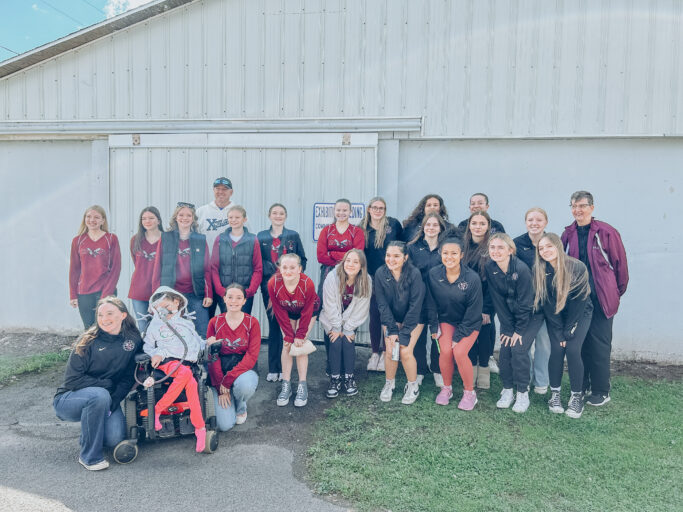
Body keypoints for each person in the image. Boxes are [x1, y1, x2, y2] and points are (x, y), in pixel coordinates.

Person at [54, 297, 142, 471]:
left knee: (114, 439)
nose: (104, 319)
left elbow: (128, 378)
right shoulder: (87, 341)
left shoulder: (133, 340)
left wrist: (114, 400)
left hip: (106, 398)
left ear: (123, 315)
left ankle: (89, 432)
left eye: (110, 313)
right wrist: (106, 385)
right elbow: (72, 380)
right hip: (69, 399)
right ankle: (90, 457)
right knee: (98, 395)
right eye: (100, 315)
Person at [561, 191, 629, 407]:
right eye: (573, 206)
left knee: (599, 345)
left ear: (592, 207)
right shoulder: (567, 234)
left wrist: (613, 293)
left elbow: (620, 268)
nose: (577, 210)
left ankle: (601, 390)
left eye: (582, 206)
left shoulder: (607, 233)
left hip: (600, 300)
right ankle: (582, 385)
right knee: (580, 344)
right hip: (577, 300)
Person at [534, 233, 593, 419]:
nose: (545, 251)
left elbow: (579, 301)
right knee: (557, 350)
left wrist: (569, 330)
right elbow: (548, 305)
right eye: (541, 248)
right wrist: (559, 332)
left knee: (573, 349)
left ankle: (577, 397)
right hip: (556, 317)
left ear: (558, 246)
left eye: (549, 246)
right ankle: (555, 395)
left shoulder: (576, 267)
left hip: (580, 313)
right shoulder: (540, 270)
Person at [142, 287, 207, 452]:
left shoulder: (186, 323)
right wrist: (156, 354)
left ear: (176, 303)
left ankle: (200, 428)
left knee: (192, 384)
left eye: (167, 306)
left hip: (186, 361)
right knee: (185, 374)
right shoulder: (155, 326)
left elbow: (196, 341)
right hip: (167, 361)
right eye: (159, 307)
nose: (163, 310)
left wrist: (206, 344)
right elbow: (147, 346)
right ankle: (157, 410)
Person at [426, 238, 483, 410]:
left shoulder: (472, 278)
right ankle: (447, 388)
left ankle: (469, 393)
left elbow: (474, 310)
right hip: (446, 321)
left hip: (469, 322)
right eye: (445, 253)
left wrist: (458, 336)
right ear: (440, 254)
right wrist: (433, 325)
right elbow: (430, 302)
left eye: (454, 253)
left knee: (458, 352)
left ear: (461, 255)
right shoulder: (434, 274)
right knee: (445, 351)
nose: (449, 257)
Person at [486, 234, 539, 413]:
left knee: (519, 349)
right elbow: (498, 301)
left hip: (530, 315)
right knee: (505, 350)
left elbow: (526, 302)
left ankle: (522, 392)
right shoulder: (490, 267)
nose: (496, 251)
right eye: (492, 247)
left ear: (510, 250)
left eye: (501, 247)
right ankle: (508, 389)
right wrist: (507, 328)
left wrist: (519, 330)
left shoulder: (521, 269)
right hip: (509, 316)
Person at [257, 203, 307, 382]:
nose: (278, 216)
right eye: (275, 213)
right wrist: (267, 269)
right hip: (269, 287)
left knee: (287, 325)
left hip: (289, 288)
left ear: (285, 216)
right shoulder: (261, 236)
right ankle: (273, 368)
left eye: (281, 213)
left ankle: (287, 366)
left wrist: (294, 278)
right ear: (269, 215)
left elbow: (303, 259)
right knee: (274, 325)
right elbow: (257, 261)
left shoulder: (292, 235)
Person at [152, 202, 213, 338]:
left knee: (203, 331)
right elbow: (157, 267)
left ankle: (203, 358)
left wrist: (208, 294)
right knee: (169, 330)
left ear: (193, 218)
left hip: (195, 292)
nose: (184, 218)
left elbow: (207, 269)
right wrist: (157, 295)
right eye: (181, 215)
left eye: (188, 215)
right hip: (171, 293)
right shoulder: (166, 238)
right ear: (176, 217)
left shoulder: (200, 240)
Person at [374, 242, 425, 404]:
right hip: (392, 319)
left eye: (396, 256)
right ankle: (389, 383)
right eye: (388, 255)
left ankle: (413, 386)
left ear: (405, 258)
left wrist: (404, 331)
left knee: (404, 350)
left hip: (415, 319)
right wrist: (393, 329)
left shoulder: (414, 273)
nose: (391, 259)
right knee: (390, 350)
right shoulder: (380, 273)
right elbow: (382, 304)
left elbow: (416, 305)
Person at [319, 249, 372, 399]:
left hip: (351, 319)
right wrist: (336, 327)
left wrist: (348, 328)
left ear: (361, 265)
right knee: (335, 341)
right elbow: (329, 305)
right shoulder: (332, 277)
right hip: (331, 318)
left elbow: (362, 308)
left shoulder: (366, 280)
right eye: (348, 260)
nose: (350, 264)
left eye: (355, 262)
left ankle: (349, 378)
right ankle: (335, 379)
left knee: (348, 341)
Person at [207, 284, 260, 430]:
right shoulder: (214, 322)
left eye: (238, 298)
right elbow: (212, 356)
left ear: (244, 301)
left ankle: (241, 405)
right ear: (224, 299)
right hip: (220, 373)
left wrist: (228, 381)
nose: (234, 301)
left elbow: (251, 356)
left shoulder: (252, 322)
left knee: (244, 386)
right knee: (225, 425)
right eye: (230, 297)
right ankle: (224, 394)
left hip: (243, 371)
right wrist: (219, 387)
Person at [268, 253, 319, 407]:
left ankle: (302, 385)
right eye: (284, 267)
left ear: (299, 269)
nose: (288, 271)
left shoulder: (307, 283)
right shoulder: (273, 284)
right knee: (287, 344)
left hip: (308, 311)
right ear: (279, 268)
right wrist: (289, 335)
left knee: (299, 345)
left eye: (292, 267)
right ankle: (286, 384)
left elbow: (307, 310)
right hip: (287, 311)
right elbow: (279, 311)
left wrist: (300, 334)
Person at [360, 197, 403, 373]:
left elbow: (402, 247)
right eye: (375, 207)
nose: (378, 211)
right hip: (371, 276)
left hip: (392, 276)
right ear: (369, 209)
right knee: (375, 314)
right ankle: (375, 353)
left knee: (389, 314)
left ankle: (387, 352)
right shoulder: (362, 228)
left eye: (382, 208)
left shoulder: (393, 225)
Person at [513, 207, 551, 394]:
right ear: (526, 222)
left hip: (547, 303)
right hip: (525, 303)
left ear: (546, 222)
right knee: (524, 343)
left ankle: (541, 381)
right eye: (530, 220)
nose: (534, 223)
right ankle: (524, 378)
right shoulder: (517, 244)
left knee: (544, 342)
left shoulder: (552, 242)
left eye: (538, 220)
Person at [407, 212, 447, 387]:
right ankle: (420, 370)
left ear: (441, 228)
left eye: (435, 225)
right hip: (418, 299)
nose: (431, 228)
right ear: (423, 227)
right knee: (419, 337)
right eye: (428, 225)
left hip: (441, 299)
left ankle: (437, 369)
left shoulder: (446, 248)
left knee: (437, 335)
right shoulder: (412, 247)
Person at [69, 205, 122, 328]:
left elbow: (116, 268)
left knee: (106, 326)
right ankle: (90, 348)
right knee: (89, 328)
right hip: (84, 292)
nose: (92, 220)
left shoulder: (111, 239)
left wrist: (106, 294)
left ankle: (109, 348)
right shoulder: (77, 241)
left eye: (96, 217)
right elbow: (74, 270)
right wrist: (73, 294)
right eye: (89, 217)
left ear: (103, 220)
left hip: (105, 290)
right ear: (84, 219)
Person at [462, 211, 496, 389]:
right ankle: (471, 369)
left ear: (488, 226)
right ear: (469, 225)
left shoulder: (492, 247)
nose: (478, 226)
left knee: (483, 336)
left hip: (486, 301)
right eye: (474, 223)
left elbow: (494, 283)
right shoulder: (462, 245)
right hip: (465, 301)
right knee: (468, 336)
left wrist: (487, 309)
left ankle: (484, 370)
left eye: (482, 223)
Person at [211, 205, 263, 315]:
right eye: (230, 217)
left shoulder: (253, 240)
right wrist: (220, 290)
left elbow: (258, 268)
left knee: (243, 323)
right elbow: (214, 267)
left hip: (244, 293)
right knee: (226, 322)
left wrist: (250, 291)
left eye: (237, 217)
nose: (233, 220)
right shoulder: (220, 239)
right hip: (225, 292)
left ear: (244, 219)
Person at [316, 199, 365, 309]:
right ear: (334, 211)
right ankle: (329, 327)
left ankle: (349, 327)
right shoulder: (326, 231)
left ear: (350, 212)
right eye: (338, 210)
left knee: (348, 303)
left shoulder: (357, 231)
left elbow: (357, 255)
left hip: (350, 272)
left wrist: (332, 253)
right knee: (328, 303)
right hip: (328, 272)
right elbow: (321, 257)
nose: (341, 213)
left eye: (345, 210)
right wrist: (347, 255)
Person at [197, 177, 235, 317]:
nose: (221, 192)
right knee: (207, 312)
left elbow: (247, 237)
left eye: (224, 189)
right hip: (206, 269)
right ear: (213, 190)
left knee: (228, 312)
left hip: (228, 269)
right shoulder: (202, 212)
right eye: (217, 189)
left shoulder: (237, 211)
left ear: (231, 192)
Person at [128, 206, 162, 333]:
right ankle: (147, 353)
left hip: (160, 291)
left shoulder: (167, 239)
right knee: (143, 327)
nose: (147, 221)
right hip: (139, 290)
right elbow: (137, 263)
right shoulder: (135, 240)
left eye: (151, 218)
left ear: (158, 221)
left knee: (160, 326)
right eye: (144, 219)